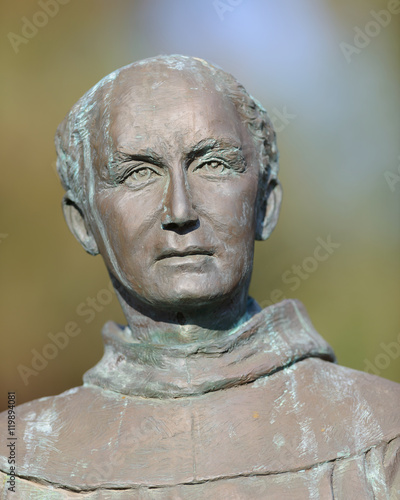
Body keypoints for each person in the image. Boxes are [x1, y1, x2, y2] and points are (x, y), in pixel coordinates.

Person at [0, 55, 399, 498]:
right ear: (84, 223)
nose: (180, 210)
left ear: (265, 205)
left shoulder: (384, 438)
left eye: (212, 164)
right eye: (138, 173)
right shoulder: (17, 464)